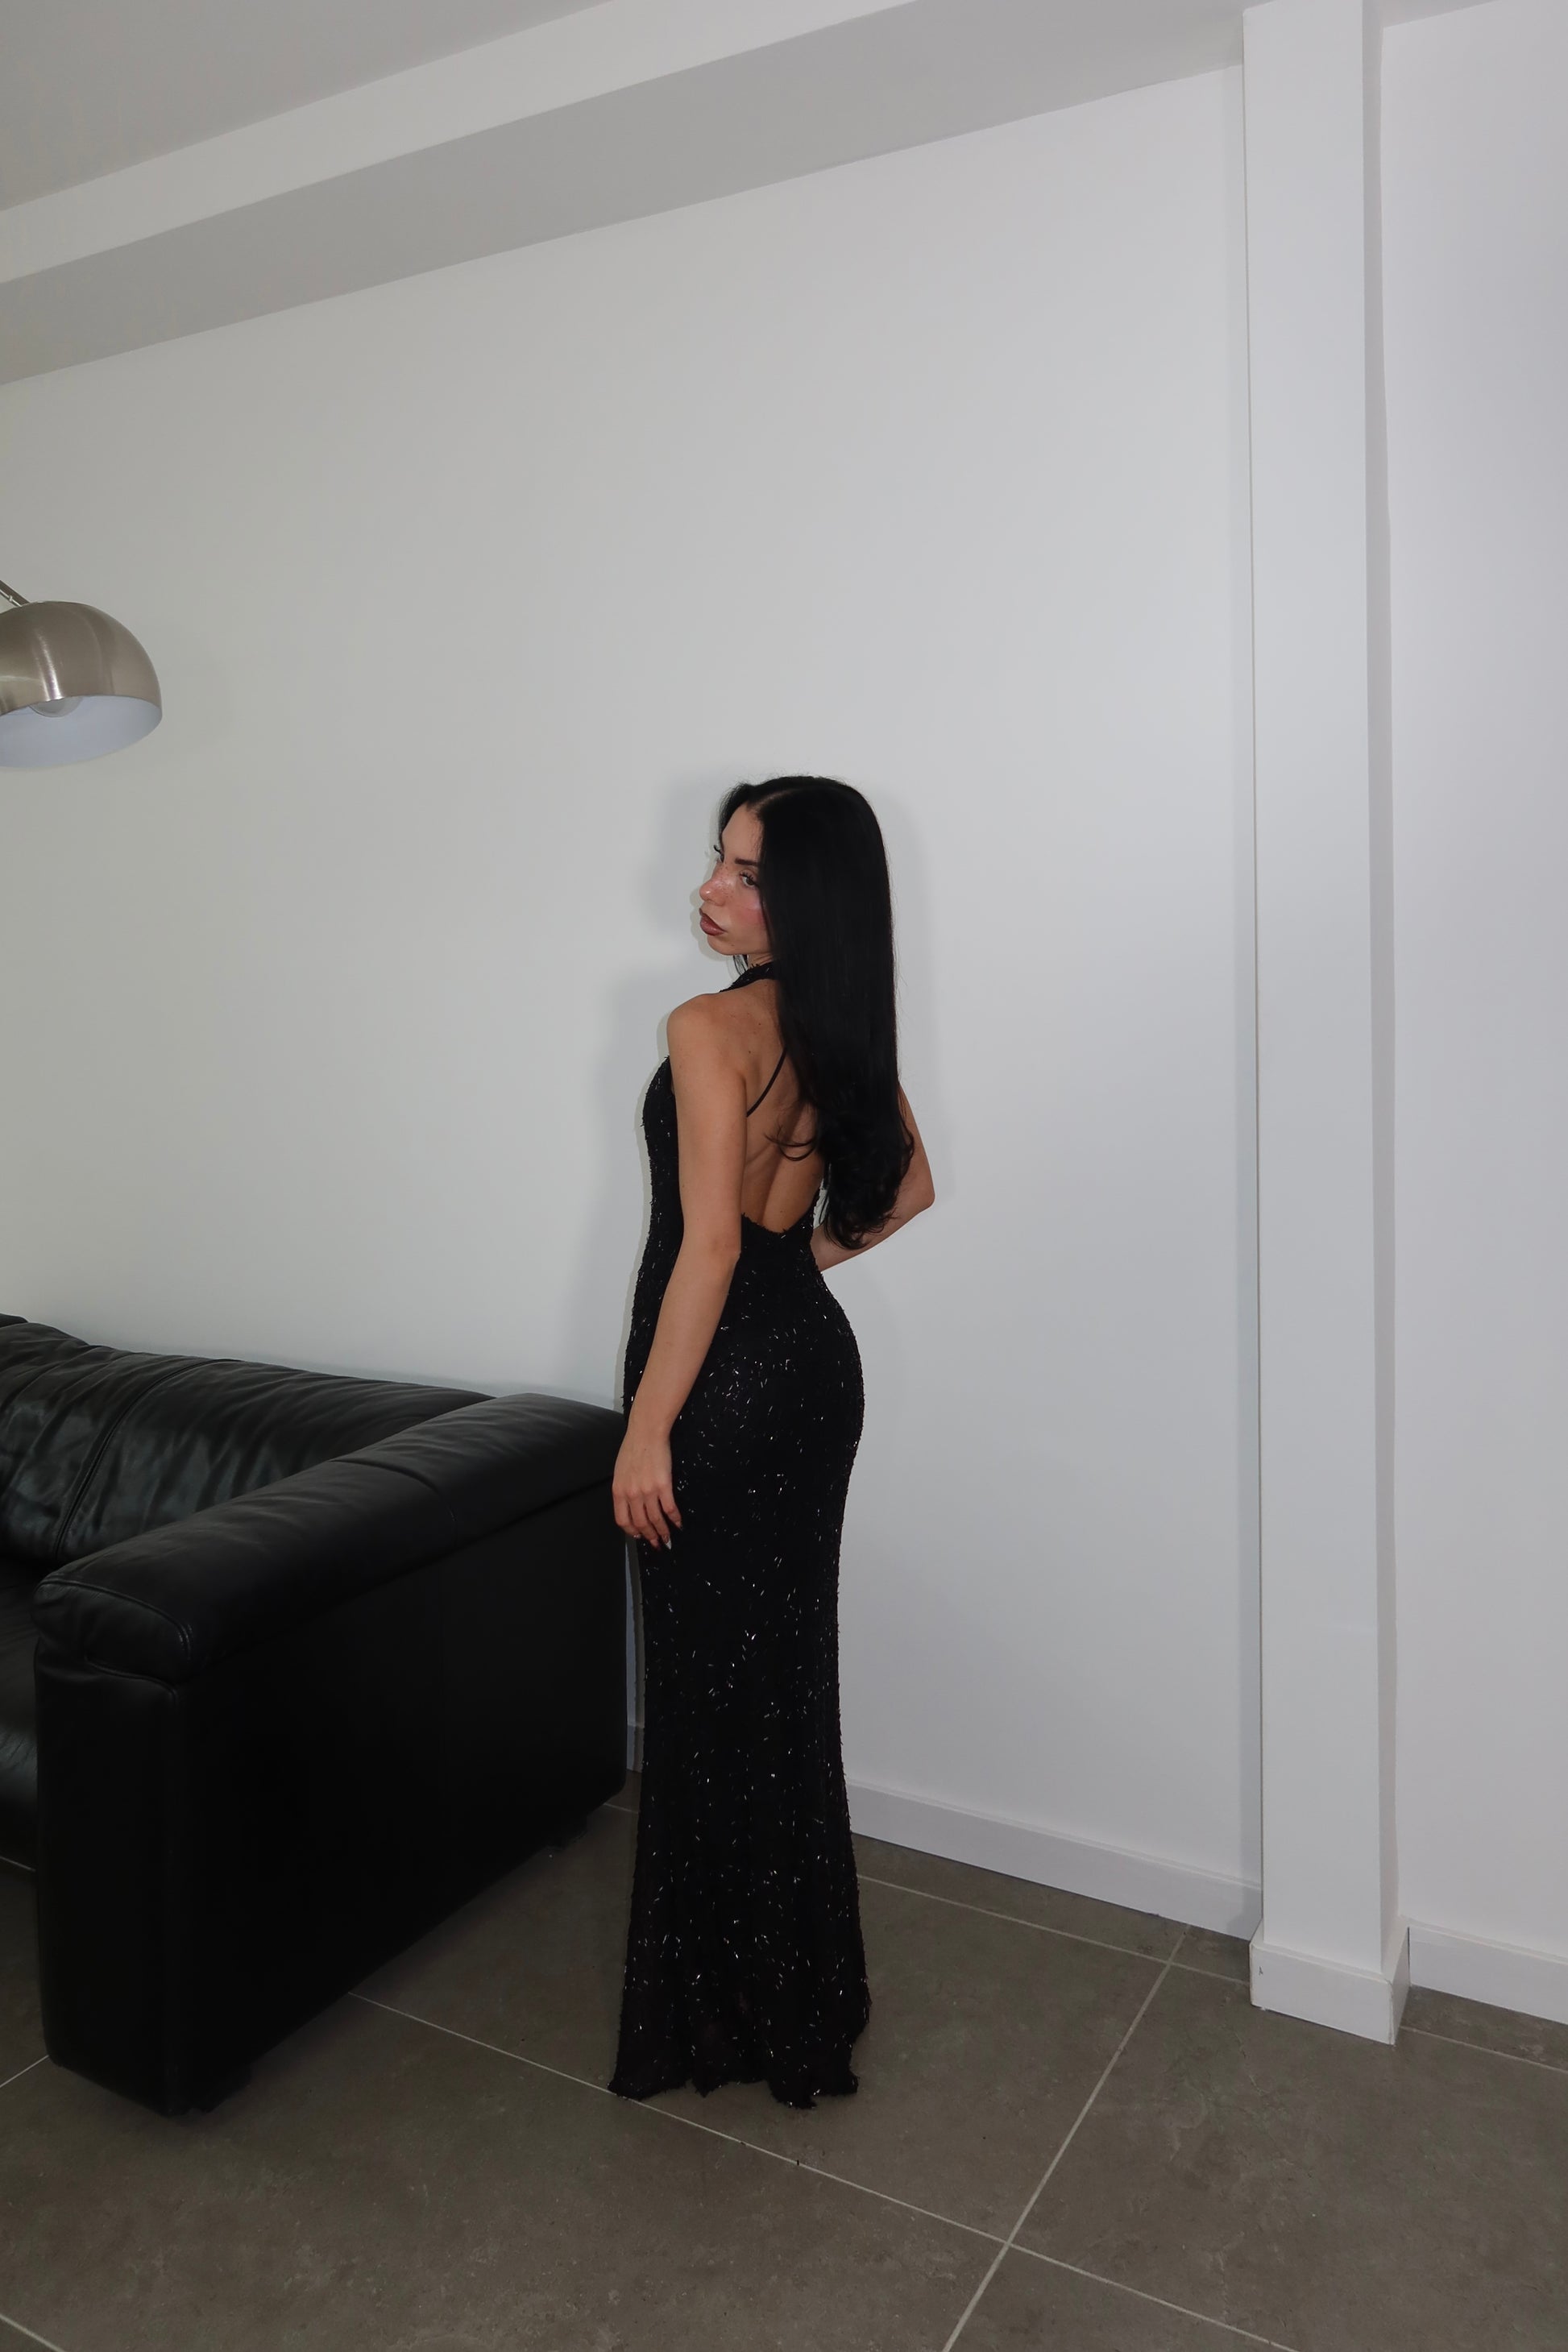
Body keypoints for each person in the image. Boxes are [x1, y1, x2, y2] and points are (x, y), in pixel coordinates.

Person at [607, 774, 935, 2110]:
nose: (710, 889)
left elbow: (702, 1251)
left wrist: (645, 1432)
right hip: (804, 1371)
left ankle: (721, 2009)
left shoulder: (706, 1027)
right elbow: (906, 1189)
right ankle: (797, 1989)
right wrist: (791, 1275)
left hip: (720, 1388)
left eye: (745, 874)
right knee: (781, 1679)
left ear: (803, 897)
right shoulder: (835, 1025)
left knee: (706, 1691)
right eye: (718, 860)